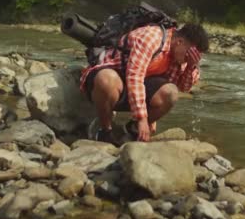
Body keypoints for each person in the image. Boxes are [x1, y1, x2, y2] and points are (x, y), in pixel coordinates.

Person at [80, 23, 209, 143]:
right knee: (107, 79)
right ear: (179, 42)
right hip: (114, 79)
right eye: (188, 56)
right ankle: (105, 130)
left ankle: (132, 130)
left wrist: (190, 65)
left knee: (171, 93)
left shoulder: (180, 55)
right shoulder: (151, 38)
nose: (189, 59)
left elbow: (183, 88)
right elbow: (134, 76)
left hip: (134, 88)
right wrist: (142, 118)